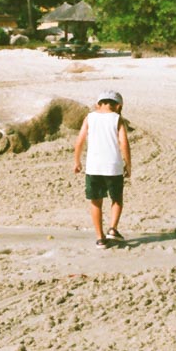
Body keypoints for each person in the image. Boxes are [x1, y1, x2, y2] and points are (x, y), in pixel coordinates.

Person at [73, 89, 131, 248]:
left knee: (96, 202)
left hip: (93, 167)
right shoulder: (117, 119)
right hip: (114, 167)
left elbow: (79, 141)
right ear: (118, 106)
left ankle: (100, 238)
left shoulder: (89, 117)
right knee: (117, 199)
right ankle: (112, 229)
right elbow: (124, 144)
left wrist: (77, 161)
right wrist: (128, 165)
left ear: (98, 104)